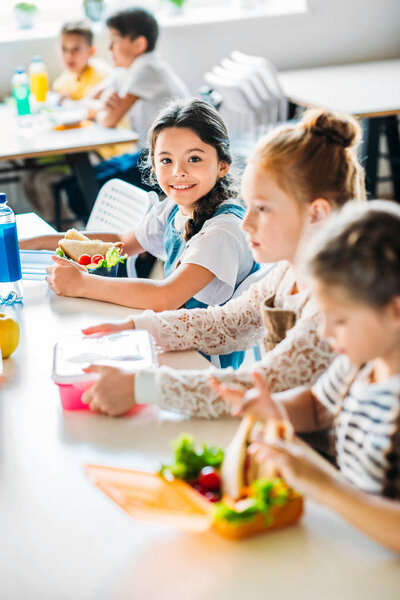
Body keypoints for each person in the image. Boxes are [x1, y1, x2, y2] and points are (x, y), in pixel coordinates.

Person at [75, 108, 366, 417]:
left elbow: (267, 386)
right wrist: (136, 326)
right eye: (249, 206)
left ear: (316, 214)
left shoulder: (334, 304)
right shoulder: (286, 272)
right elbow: (227, 322)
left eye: (263, 209)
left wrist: (142, 387)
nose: (246, 222)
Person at [212, 201, 400, 553]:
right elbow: (316, 406)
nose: (326, 331)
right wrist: (275, 409)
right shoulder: (360, 365)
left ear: (396, 310)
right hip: (350, 547)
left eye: (340, 320)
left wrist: (324, 486)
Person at [21, 98, 258, 367]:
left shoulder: (222, 231)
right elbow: (121, 243)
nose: (178, 172)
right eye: (166, 160)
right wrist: (38, 241)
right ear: (154, 167)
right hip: (168, 338)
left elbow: (165, 297)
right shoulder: (173, 208)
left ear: (222, 165)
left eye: (194, 158)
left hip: (201, 360)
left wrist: (82, 284)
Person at [63, 7, 189, 217]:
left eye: (115, 41)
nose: (109, 48)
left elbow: (109, 119)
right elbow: (87, 101)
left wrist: (100, 109)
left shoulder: (147, 67)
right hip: (147, 155)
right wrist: (102, 103)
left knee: (80, 190)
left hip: (167, 162)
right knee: (75, 182)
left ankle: (106, 239)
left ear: (139, 44)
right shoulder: (126, 70)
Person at [21, 21, 112, 224]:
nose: (69, 56)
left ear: (91, 51)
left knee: (44, 182)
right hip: (74, 153)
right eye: (64, 49)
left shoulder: (101, 75)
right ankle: (54, 227)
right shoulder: (65, 80)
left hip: (101, 152)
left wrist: (72, 105)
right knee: (28, 179)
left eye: (76, 49)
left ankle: (66, 233)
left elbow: (97, 110)